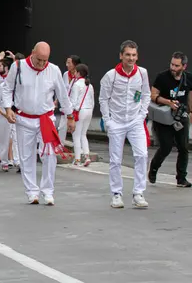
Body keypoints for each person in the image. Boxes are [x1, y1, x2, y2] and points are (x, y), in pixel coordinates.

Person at [2, 42, 74, 205]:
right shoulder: (18, 67)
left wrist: (70, 115)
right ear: (32, 53)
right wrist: (7, 109)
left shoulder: (53, 70)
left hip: (46, 119)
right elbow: (7, 89)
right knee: (26, 156)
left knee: (49, 155)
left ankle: (48, 191)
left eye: (45, 60)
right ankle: (32, 191)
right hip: (23, 118)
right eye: (39, 59)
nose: (41, 64)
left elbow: (62, 95)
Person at [99, 41, 151, 208]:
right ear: (121, 55)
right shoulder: (110, 75)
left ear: (137, 56)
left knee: (142, 155)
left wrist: (142, 115)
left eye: (134, 55)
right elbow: (103, 99)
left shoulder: (142, 73)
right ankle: (116, 193)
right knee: (115, 159)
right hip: (117, 122)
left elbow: (146, 95)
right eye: (128, 54)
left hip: (135, 121)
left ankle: (138, 193)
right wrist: (108, 121)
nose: (131, 58)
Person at [149, 51, 192, 187]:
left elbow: (190, 96)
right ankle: (153, 169)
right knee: (166, 147)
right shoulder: (162, 77)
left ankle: (181, 178)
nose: (173, 68)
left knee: (184, 148)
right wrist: (168, 102)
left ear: (184, 66)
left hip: (181, 117)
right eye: (172, 64)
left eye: (176, 65)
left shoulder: (188, 78)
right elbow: (153, 95)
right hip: (164, 117)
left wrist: (191, 113)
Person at [70, 63, 94, 166]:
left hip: (80, 111)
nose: (74, 73)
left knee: (76, 135)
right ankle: (87, 156)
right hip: (89, 110)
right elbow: (92, 101)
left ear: (78, 73)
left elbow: (73, 101)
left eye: (75, 71)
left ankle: (77, 159)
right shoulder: (89, 85)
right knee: (83, 134)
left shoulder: (76, 84)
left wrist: (70, 113)